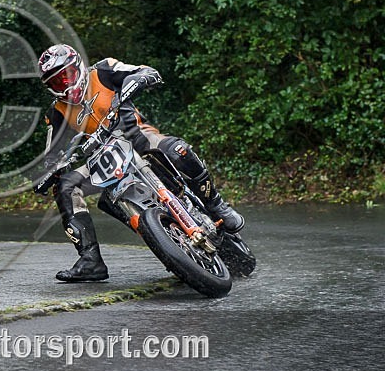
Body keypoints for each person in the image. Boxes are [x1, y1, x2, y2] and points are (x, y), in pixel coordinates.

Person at [33, 44, 244, 282]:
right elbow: (52, 154)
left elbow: (146, 71)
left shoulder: (103, 70)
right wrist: (50, 171)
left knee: (179, 150)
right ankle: (90, 260)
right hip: (100, 158)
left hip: (137, 136)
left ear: (77, 66)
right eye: (56, 83)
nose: (64, 85)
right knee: (65, 186)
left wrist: (137, 82)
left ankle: (217, 205)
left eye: (66, 76)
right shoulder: (57, 111)